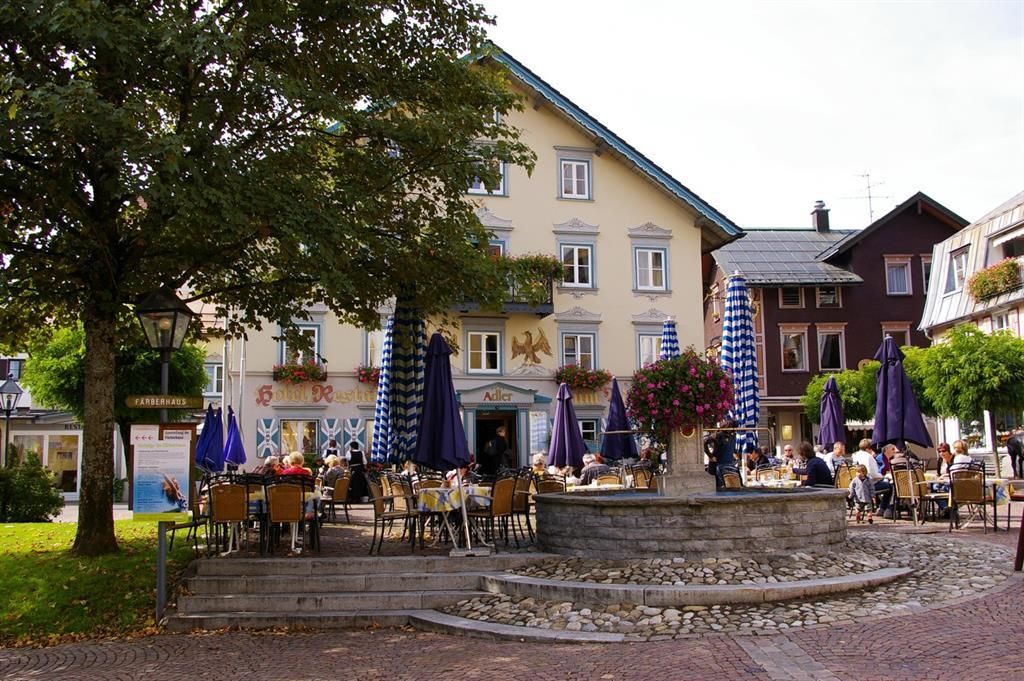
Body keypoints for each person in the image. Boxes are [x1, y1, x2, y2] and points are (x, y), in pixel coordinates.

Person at [853, 438, 892, 516]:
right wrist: (884, 476)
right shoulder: (868, 457)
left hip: (857, 484)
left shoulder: (855, 455)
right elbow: (872, 474)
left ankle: (881, 508)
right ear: (868, 448)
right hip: (869, 485)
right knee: (891, 487)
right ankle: (885, 509)